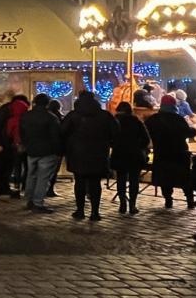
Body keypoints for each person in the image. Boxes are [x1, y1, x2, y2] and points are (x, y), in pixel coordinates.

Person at [59, 90, 116, 221]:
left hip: (77, 153)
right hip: (98, 153)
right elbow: (115, 132)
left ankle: (80, 210)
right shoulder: (105, 115)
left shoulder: (73, 115)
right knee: (95, 183)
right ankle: (95, 212)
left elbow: (62, 131)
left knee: (79, 182)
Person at [145, 94, 196, 208]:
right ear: (174, 105)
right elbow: (188, 132)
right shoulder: (178, 119)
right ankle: (189, 199)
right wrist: (194, 130)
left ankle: (168, 199)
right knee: (184, 178)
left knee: (165, 178)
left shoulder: (152, 120)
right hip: (179, 152)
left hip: (161, 153)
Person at [18, 92, 61, 211]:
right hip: (47, 151)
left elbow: (22, 133)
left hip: (31, 150)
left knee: (31, 176)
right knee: (43, 178)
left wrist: (26, 145)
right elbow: (56, 136)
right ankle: (38, 202)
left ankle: (29, 200)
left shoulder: (26, 116)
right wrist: (58, 151)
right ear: (47, 104)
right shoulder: (51, 117)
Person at [110, 100, 150, 214]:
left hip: (119, 154)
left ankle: (123, 203)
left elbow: (110, 138)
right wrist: (138, 147)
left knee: (121, 179)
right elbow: (146, 139)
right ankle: (132, 205)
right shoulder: (136, 121)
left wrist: (116, 145)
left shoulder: (114, 122)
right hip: (135, 154)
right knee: (134, 180)